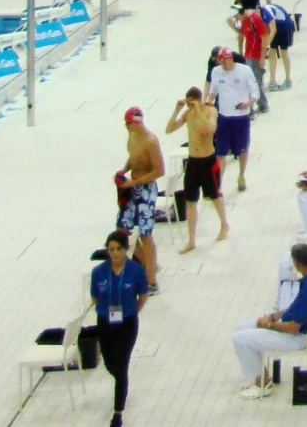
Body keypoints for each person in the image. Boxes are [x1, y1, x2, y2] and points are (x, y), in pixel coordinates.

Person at [233, 244, 307, 399]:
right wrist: (272, 317)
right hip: (291, 327)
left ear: (297, 263)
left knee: (240, 339)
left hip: (297, 338)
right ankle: (258, 373)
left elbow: (293, 327)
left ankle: (263, 383)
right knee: (241, 328)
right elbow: (294, 308)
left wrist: (269, 325)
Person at [87, 228, 149, 427]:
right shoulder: (98, 272)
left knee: (121, 366)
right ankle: (122, 382)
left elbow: (143, 296)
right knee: (110, 364)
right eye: (111, 249)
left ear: (125, 250)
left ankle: (117, 413)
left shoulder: (136, 271)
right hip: (105, 322)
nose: (114, 253)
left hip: (127, 323)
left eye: (118, 249)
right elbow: (95, 296)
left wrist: (132, 311)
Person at [165, 87, 228, 251]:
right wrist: (177, 110)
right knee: (190, 201)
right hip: (192, 161)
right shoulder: (187, 114)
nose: (189, 106)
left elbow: (209, 130)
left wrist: (198, 110)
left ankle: (224, 225)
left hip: (208, 161)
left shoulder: (210, 111)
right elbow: (169, 129)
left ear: (198, 100)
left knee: (215, 196)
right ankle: (191, 240)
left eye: (191, 103)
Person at [116, 107, 165, 293]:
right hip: (132, 185)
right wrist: (123, 171)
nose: (126, 127)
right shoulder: (132, 136)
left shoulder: (151, 141)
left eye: (128, 123)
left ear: (136, 122)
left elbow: (159, 171)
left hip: (146, 188)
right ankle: (142, 263)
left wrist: (134, 182)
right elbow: (132, 157)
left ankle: (152, 280)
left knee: (145, 233)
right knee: (122, 228)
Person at [208, 47, 260, 193]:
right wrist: (207, 105)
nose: (223, 65)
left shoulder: (244, 71)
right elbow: (213, 92)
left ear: (230, 59)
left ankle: (241, 176)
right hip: (223, 117)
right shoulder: (216, 72)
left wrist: (248, 103)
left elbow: (254, 91)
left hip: (241, 117)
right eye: (220, 62)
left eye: (224, 61)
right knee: (221, 153)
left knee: (242, 149)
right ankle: (218, 184)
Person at [262, 0, 295, 91]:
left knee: (283, 53)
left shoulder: (266, 13)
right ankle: (272, 82)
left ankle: (288, 79)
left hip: (285, 26)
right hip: (275, 27)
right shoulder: (260, 13)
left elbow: (273, 29)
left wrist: (266, 46)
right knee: (272, 53)